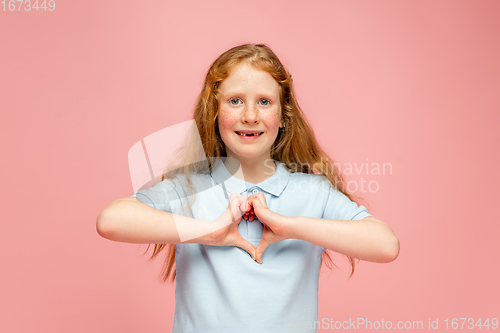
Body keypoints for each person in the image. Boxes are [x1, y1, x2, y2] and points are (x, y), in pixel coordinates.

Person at [96, 43, 400, 333]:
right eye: (235, 100)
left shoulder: (312, 192)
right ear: (214, 113)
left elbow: (385, 245)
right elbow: (111, 220)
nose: (250, 115)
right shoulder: (189, 186)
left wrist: (291, 227)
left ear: (283, 116)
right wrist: (211, 232)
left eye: (264, 102)